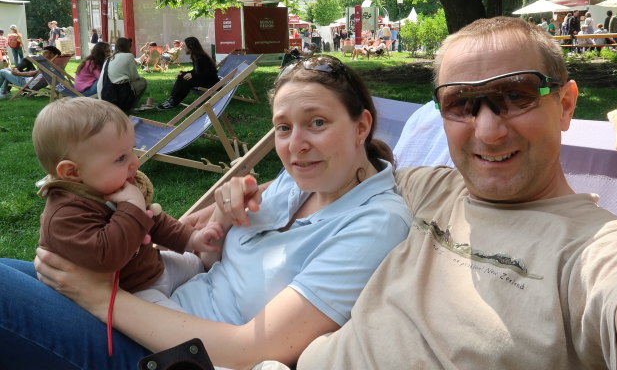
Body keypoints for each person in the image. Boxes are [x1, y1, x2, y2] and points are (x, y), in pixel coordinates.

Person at [0, 54, 411, 370]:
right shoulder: (304, 179)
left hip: (173, 356)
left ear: (362, 126)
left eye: (317, 122)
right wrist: (223, 211)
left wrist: (97, 298)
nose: (295, 145)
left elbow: (255, 348)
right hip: (158, 300)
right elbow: (218, 247)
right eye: (283, 127)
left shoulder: (375, 223)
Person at [297, 16, 617, 369]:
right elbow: (332, 176)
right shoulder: (429, 188)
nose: (489, 131)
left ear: (565, 104)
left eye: (516, 95)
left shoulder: (596, 256)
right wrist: (246, 196)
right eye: (460, 103)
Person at [31, 97, 224, 311]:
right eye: (121, 158)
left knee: (200, 264)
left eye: (131, 150)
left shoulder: (107, 188)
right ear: (72, 172)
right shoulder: (65, 215)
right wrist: (131, 208)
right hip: (127, 292)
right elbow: (107, 256)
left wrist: (192, 238)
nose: (136, 161)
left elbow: (153, 220)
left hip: (154, 267)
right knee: (175, 324)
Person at [157, 36, 218, 109]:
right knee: (182, 76)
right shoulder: (196, 56)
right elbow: (197, 71)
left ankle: (173, 102)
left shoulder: (202, 57)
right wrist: (183, 73)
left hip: (211, 83)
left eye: (185, 46)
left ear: (191, 46)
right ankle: (172, 99)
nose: (183, 48)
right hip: (204, 80)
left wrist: (192, 74)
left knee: (186, 80)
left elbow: (210, 73)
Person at [97, 37, 147, 108]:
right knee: (142, 82)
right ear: (128, 47)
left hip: (103, 95)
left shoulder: (108, 59)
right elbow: (134, 77)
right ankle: (131, 106)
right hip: (116, 94)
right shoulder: (129, 56)